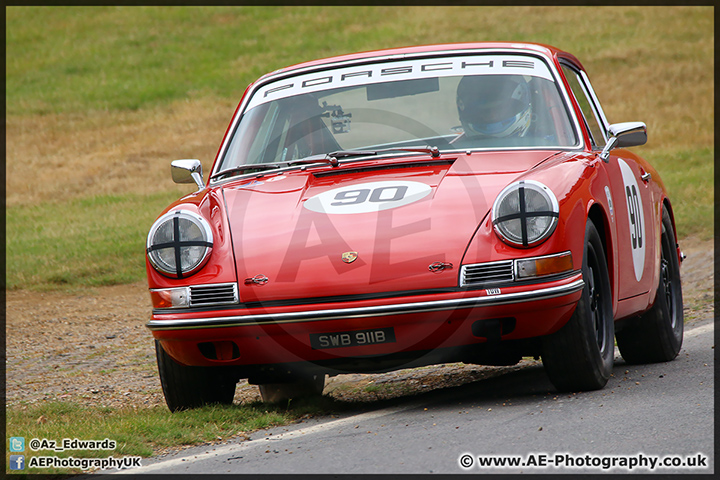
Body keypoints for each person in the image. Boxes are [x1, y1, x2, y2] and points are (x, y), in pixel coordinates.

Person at [455, 75, 533, 142]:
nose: (492, 116)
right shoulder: (453, 150)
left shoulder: (542, 147)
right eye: (484, 111)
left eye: (499, 109)